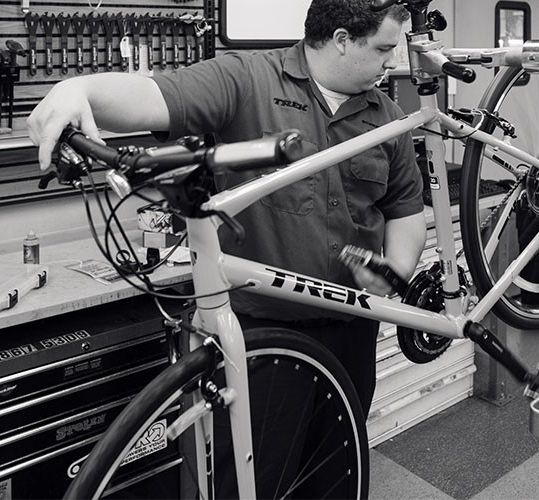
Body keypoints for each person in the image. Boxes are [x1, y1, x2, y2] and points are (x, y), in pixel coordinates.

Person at [28, 0, 426, 496]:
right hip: (262, 339)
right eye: (385, 48)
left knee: (335, 478)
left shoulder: (388, 117)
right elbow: (156, 95)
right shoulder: (247, 79)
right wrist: (76, 89)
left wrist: (394, 270)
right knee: (253, 484)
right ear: (343, 39)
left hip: (351, 331)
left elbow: (405, 210)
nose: (394, 60)